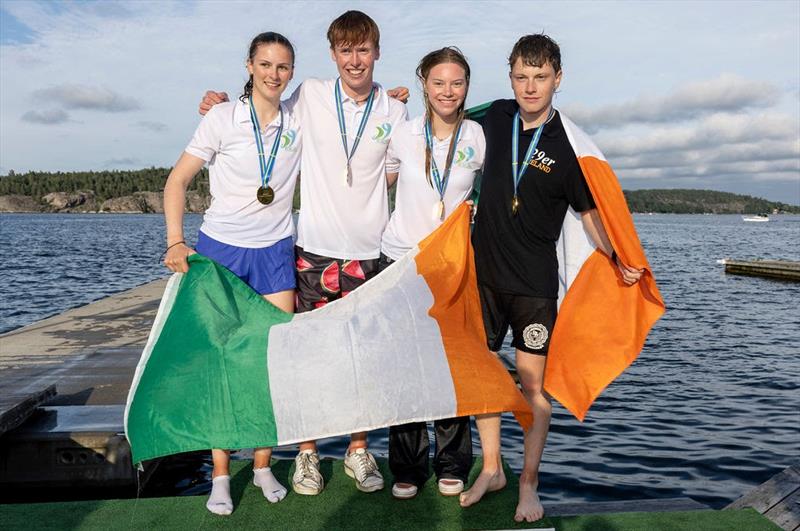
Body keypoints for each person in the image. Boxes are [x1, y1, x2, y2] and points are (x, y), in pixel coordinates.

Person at [199, 11, 408, 496]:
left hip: (369, 255)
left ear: (377, 52)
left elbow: (396, 172)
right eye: (345, 50)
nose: (354, 60)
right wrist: (220, 104)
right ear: (333, 54)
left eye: (363, 49)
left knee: (363, 361)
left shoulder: (394, 113)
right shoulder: (311, 93)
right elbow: (262, 108)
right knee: (306, 360)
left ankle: (358, 450)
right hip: (312, 252)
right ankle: (307, 455)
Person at [461, 34, 644, 522]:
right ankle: (492, 469)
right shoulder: (496, 116)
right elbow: (447, 107)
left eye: (540, 77)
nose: (530, 86)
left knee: (532, 389)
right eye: (521, 76)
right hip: (485, 277)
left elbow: (589, 216)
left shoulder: (570, 146)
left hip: (534, 288)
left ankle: (528, 483)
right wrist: (398, 98)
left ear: (557, 79)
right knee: (481, 376)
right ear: (511, 78)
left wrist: (618, 255)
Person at [163, 31, 301, 515]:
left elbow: (347, 103)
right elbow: (177, 181)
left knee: (270, 364)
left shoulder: (299, 115)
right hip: (222, 249)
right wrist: (175, 241)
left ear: (292, 72)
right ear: (249, 65)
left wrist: (388, 98)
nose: (274, 74)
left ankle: (262, 465)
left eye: (283, 66)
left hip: (275, 251)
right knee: (221, 364)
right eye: (265, 64)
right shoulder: (222, 117)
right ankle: (221, 475)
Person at [380, 47, 485, 500]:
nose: (448, 91)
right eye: (439, 82)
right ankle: (406, 465)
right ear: (423, 82)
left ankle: (452, 462)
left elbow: (501, 187)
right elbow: (374, 184)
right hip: (400, 260)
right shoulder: (402, 134)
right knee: (403, 369)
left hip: (451, 265)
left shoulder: (478, 135)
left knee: (450, 365)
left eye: (457, 82)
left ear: (466, 87)